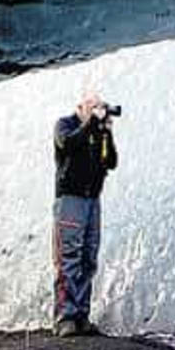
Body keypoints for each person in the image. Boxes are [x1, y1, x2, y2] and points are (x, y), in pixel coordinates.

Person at [49, 93, 118, 336]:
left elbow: (110, 162)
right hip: (70, 199)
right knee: (68, 256)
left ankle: (81, 315)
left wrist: (106, 132)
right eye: (92, 105)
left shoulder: (97, 132)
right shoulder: (65, 125)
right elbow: (67, 144)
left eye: (99, 105)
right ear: (79, 107)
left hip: (92, 200)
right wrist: (90, 124)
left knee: (88, 258)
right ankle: (64, 318)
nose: (97, 109)